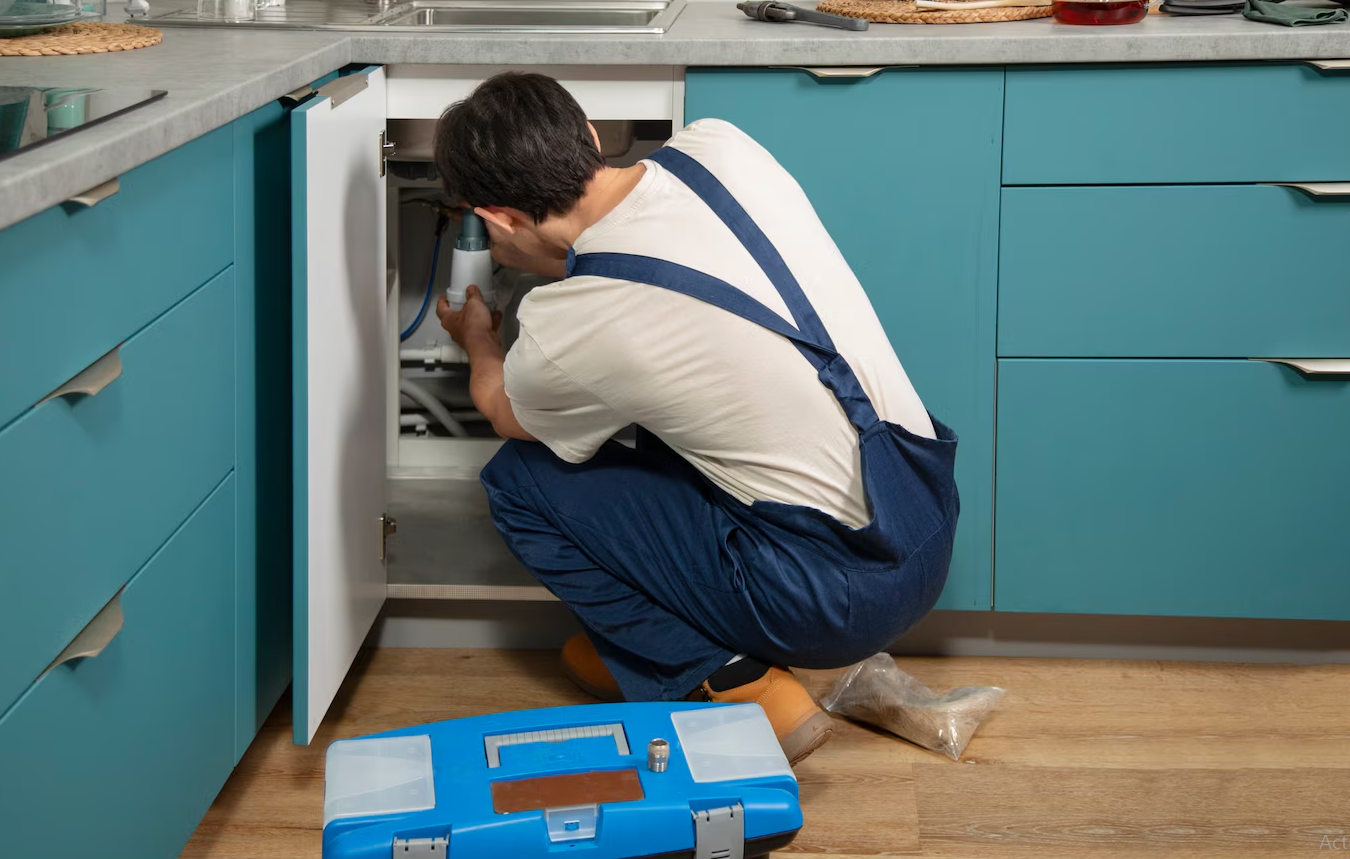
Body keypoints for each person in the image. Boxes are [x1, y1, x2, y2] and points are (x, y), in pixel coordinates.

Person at [433, 72, 959, 765]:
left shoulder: (568, 328)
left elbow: (504, 409)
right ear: (589, 135)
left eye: (484, 225)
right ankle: (651, 645)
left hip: (836, 600)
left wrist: (477, 337)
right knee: (659, 421)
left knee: (520, 481)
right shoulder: (720, 147)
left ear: (498, 219)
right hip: (927, 515)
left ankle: (717, 672)